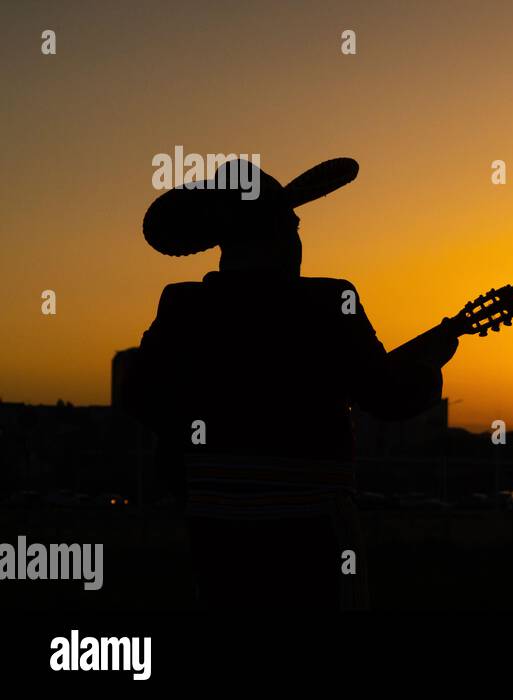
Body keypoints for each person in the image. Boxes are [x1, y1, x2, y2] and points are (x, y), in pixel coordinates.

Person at [126, 157, 458, 610]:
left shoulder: (182, 305)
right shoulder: (330, 300)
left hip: (214, 528)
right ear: (278, 233)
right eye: (293, 224)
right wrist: (429, 367)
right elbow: (387, 396)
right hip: (315, 526)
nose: (298, 237)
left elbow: (141, 396)